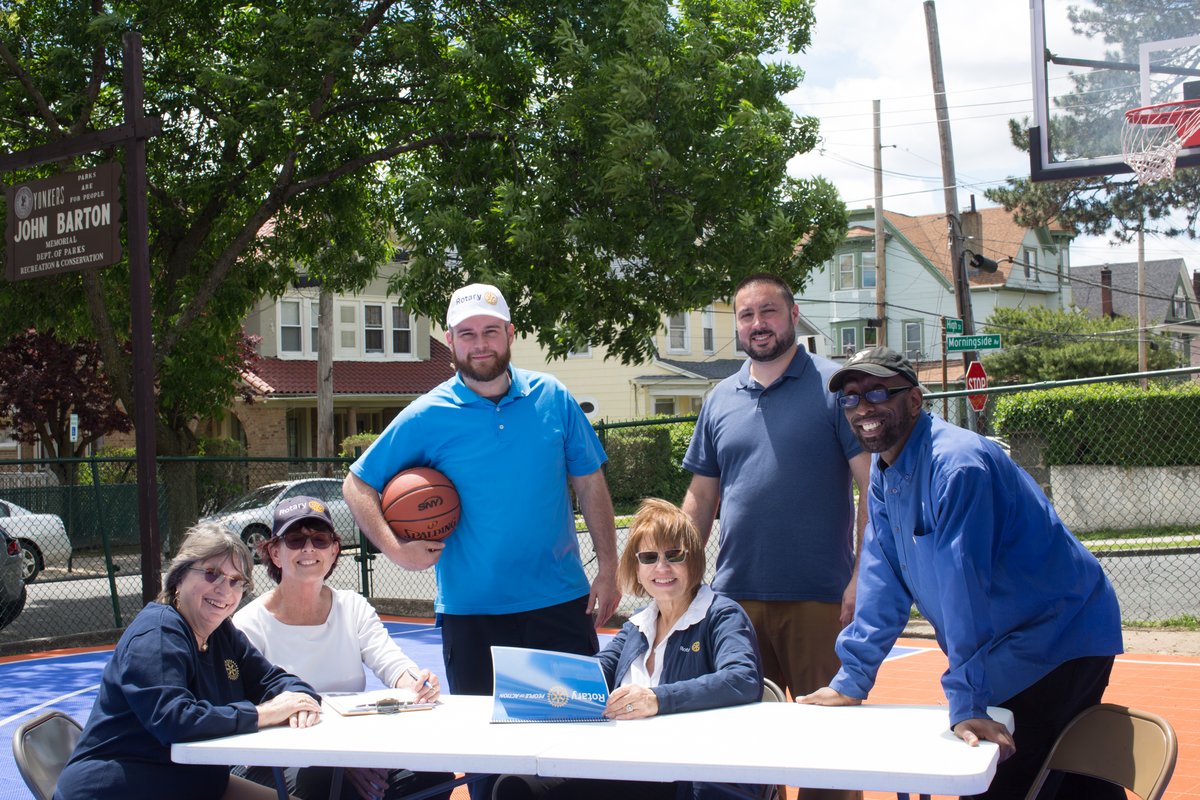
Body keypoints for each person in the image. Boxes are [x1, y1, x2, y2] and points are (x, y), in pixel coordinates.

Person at [800, 346, 1124, 800]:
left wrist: (968, 701)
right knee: (1066, 779)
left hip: (1061, 637)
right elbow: (881, 578)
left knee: (1004, 780)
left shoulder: (958, 465)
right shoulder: (884, 469)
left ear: (914, 400)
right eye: (850, 398)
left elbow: (962, 586)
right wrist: (852, 680)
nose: (862, 408)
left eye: (877, 392)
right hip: (1009, 646)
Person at [343, 281, 620, 701]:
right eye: (467, 334)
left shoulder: (552, 396)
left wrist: (609, 566)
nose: (480, 344)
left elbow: (589, 481)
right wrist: (396, 549)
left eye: (491, 331)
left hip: (560, 601)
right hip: (472, 612)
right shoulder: (427, 414)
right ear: (450, 340)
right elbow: (357, 484)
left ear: (510, 334)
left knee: (577, 739)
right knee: (487, 756)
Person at [681, 273, 869, 800]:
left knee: (827, 760)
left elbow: (872, 491)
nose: (757, 324)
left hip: (821, 599)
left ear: (793, 314)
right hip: (735, 602)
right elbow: (700, 497)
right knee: (743, 755)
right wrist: (680, 576)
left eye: (768, 312)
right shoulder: (719, 398)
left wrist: (862, 575)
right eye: (746, 315)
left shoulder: (836, 388)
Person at [494, 498, 764, 800]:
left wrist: (656, 699)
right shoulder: (637, 626)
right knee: (515, 786)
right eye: (648, 557)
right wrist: (525, 683)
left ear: (694, 560)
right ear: (636, 569)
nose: (662, 567)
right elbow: (592, 673)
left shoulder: (721, 615)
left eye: (674, 555)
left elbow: (742, 679)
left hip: (683, 773)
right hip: (622, 762)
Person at [54, 524, 322, 800]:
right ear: (179, 577)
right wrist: (262, 714)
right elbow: (175, 720)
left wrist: (299, 699)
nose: (224, 590)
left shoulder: (221, 633)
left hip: (194, 783)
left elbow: (274, 680)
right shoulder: (156, 635)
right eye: (212, 574)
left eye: (235, 581)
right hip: (119, 789)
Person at [233, 496, 453, 800]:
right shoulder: (248, 624)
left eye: (320, 539)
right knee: (327, 782)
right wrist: (340, 763)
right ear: (274, 552)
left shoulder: (352, 607)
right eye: (295, 540)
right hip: (279, 755)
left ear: (335, 549)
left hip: (349, 746)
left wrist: (416, 681)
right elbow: (250, 713)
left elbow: (390, 660)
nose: (309, 549)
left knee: (432, 774)